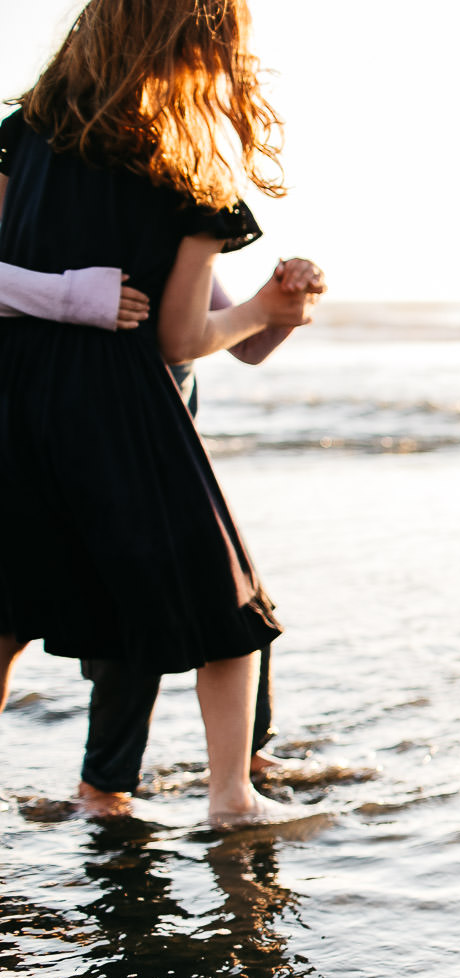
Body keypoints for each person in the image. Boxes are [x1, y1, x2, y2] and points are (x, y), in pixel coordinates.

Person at [0, 0, 317, 827]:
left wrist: (263, 313)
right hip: (120, 407)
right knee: (227, 602)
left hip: (11, 392)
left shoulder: (21, 136)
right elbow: (180, 335)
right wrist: (261, 310)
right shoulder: (188, 170)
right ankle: (231, 797)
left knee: (10, 605)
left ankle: (118, 789)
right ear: (201, 49)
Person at [0, 260, 325, 811]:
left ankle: (242, 755)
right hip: (91, 442)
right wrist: (72, 298)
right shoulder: (51, 212)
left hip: (165, 448)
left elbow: (246, 345)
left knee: (239, 600)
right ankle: (105, 784)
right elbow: (181, 342)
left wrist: (284, 306)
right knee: (133, 622)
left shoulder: (165, 227)